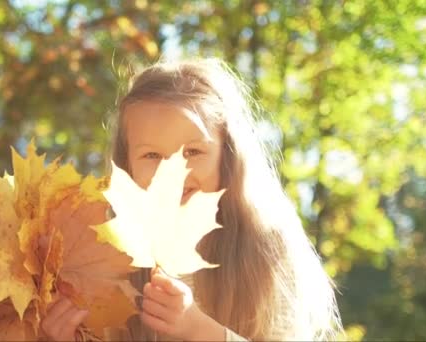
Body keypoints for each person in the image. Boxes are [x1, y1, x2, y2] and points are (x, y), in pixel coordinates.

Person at [41, 57, 343, 341]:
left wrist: (201, 330)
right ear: (127, 168)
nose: (173, 172)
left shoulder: (266, 248)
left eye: (193, 152)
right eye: (152, 155)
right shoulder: (107, 262)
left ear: (227, 156)